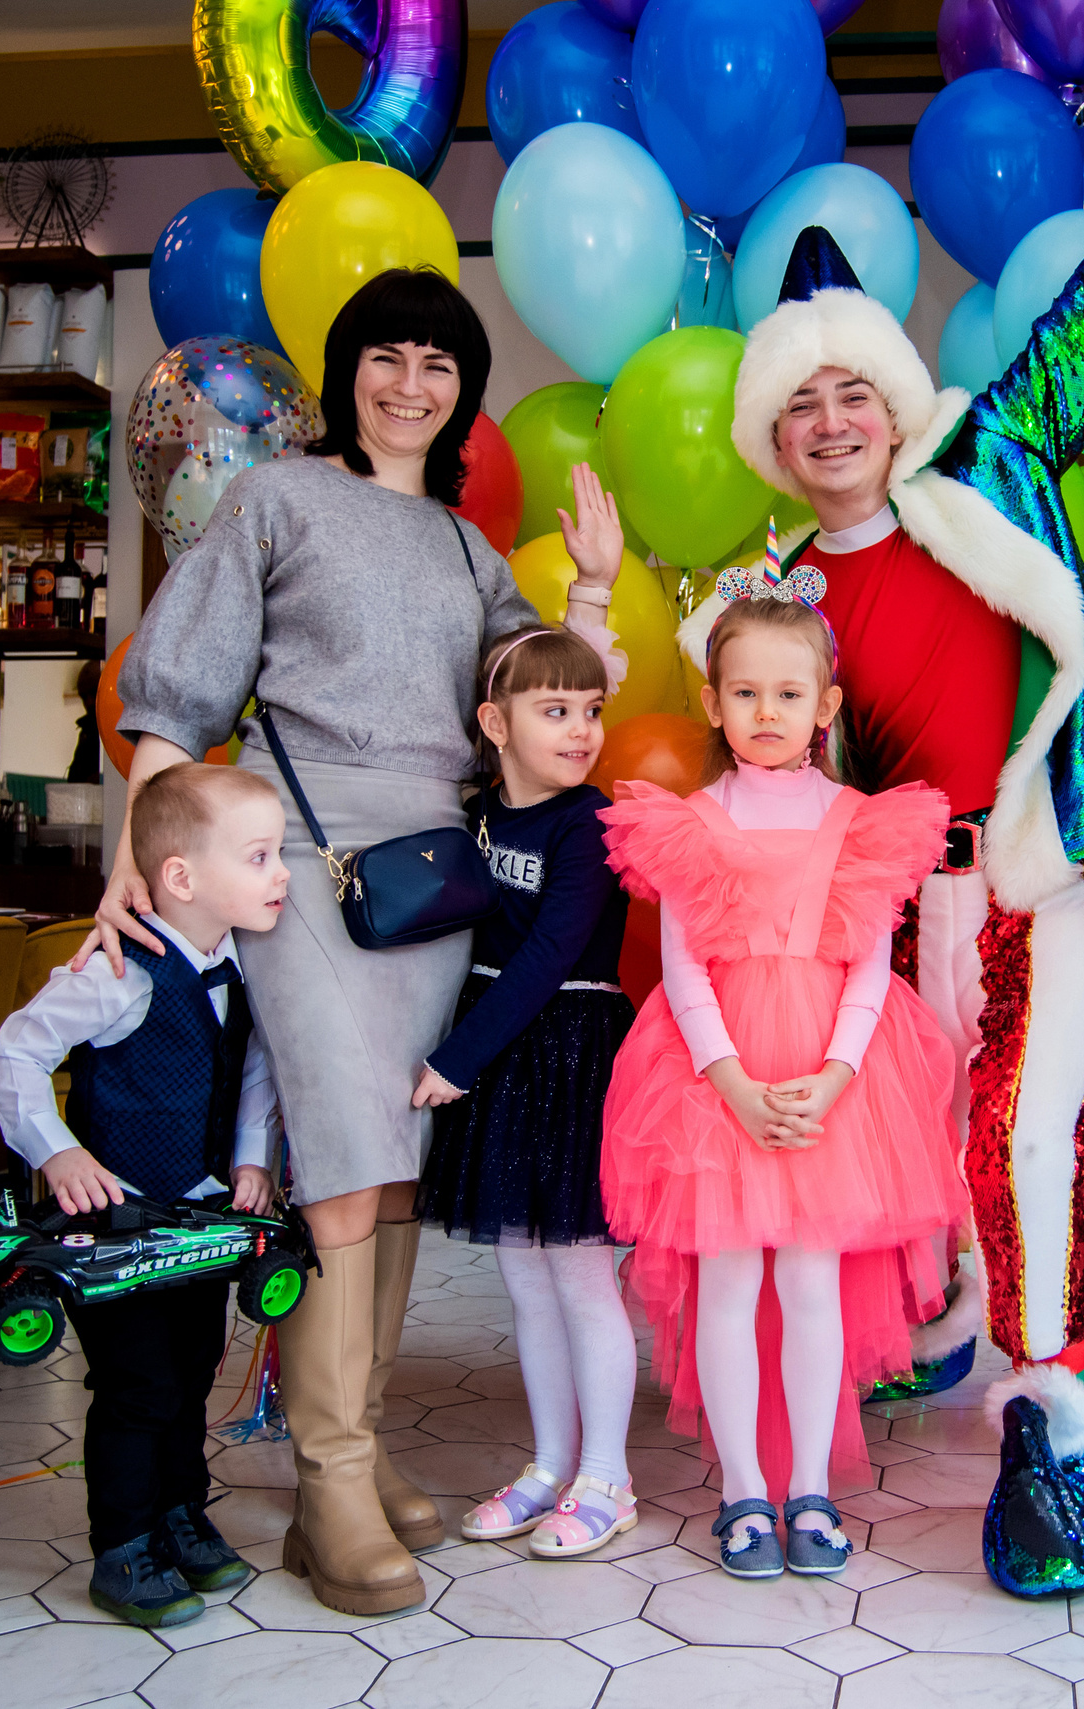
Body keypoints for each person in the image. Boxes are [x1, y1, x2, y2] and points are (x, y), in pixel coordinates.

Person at [704, 40, 1084, 1594]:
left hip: (1048, 868)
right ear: (772, 437)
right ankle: (951, 1328)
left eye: (857, 387)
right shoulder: (775, 600)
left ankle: (1059, 1431)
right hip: (904, 910)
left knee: (1029, 1130)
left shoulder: (988, 455)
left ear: (896, 400)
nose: (835, 419)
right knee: (924, 1148)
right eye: (804, 403)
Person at [90, 268, 626, 1617]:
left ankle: (362, 1442)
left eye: (438, 361)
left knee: (387, 1164)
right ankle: (326, 1480)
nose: (410, 381)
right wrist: (130, 868)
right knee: (335, 1163)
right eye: (386, 355)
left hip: (429, 890)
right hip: (296, 867)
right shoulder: (275, 499)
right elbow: (182, 682)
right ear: (349, 375)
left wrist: (603, 593)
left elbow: (546, 703)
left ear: (462, 391)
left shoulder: (469, 552)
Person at [599, 589, 967, 1580]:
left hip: (832, 1076)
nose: (767, 709)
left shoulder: (859, 821)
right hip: (717, 1077)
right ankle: (743, 1492)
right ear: (715, 703)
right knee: (728, 1279)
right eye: (746, 690)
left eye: (788, 691)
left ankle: (809, 1484)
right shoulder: (690, 821)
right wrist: (734, 1086)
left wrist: (836, 1075)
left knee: (810, 1280)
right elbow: (682, 971)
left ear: (826, 703)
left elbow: (869, 966)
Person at [0, 762, 290, 1628]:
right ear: (183, 877)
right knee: (136, 1384)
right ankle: (122, 1545)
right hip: (111, 1231)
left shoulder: (239, 963)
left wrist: (250, 1156)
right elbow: (13, 1053)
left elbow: (254, 1067)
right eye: (261, 856)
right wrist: (60, 1150)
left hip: (197, 1219)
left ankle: (180, 1516)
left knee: (191, 1373)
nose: (281, 874)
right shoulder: (121, 970)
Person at [412, 598, 640, 1560]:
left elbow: (549, 954)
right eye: (556, 711)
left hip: (567, 1050)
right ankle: (549, 1465)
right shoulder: (477, 815)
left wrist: (454, 1060)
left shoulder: (591, 825)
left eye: (591, 709)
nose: (582, 729)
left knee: (584, 1278)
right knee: (525, 1278)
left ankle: (609, 1478)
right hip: (506, 1056)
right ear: (495, 723)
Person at [67, 660, 104, 784]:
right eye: (83, 697)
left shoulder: (120, 729)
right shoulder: (87, 730)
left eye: (94, 693)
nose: (89, 702)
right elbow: (74, 779)